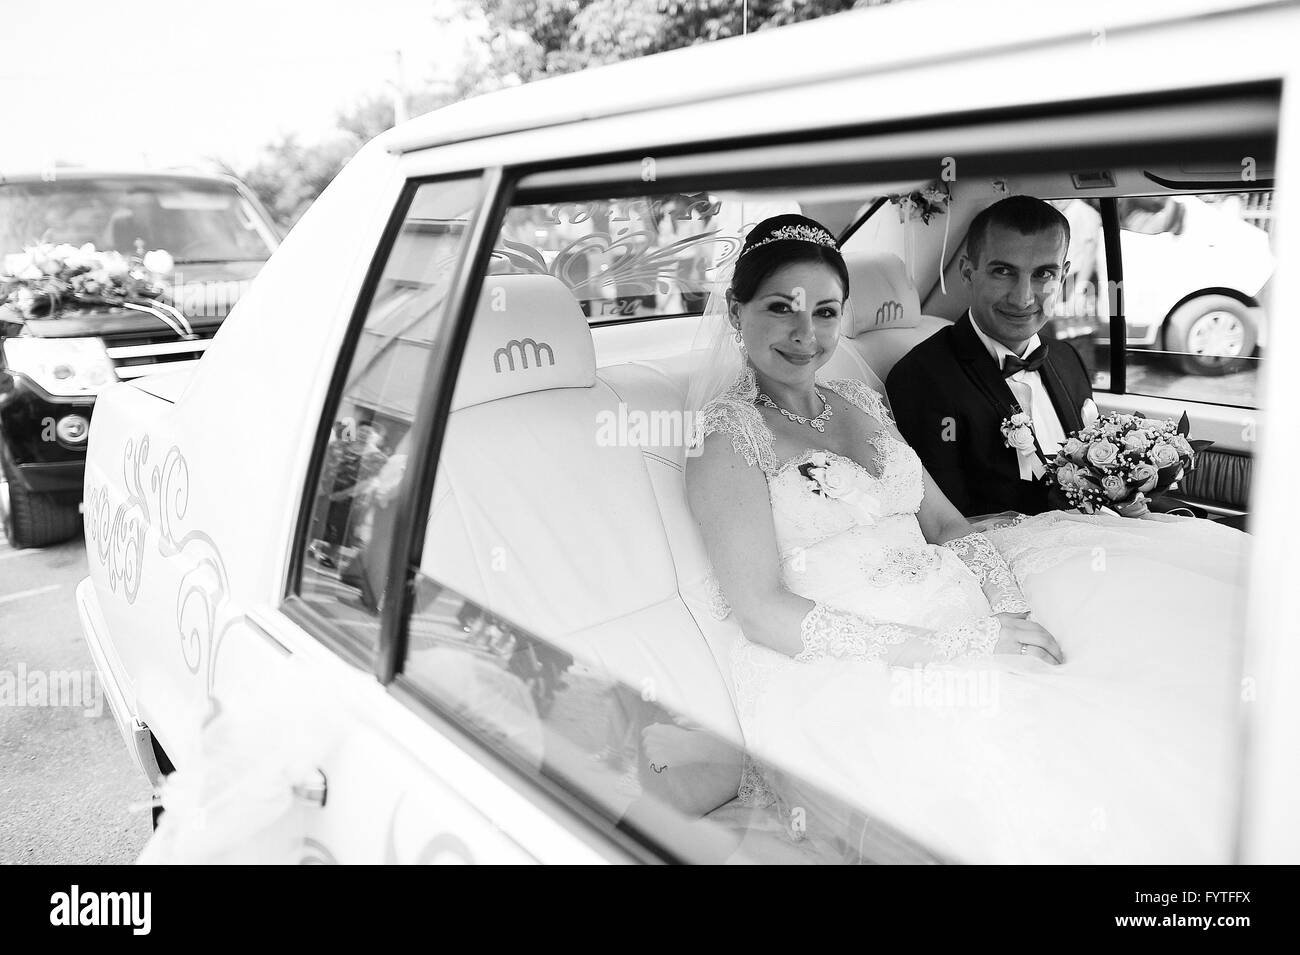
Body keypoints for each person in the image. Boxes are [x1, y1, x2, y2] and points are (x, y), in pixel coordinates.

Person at [684, 213, 1246, 863]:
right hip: (847, 658)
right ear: (735, 310)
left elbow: (946, 523)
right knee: (1041, 759)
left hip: (958, 607)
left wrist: (1002, 607)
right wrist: (950, 645)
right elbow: (759, 610)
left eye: (826, 312)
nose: (806, 335)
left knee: (1143, 671)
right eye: (781, 308)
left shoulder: (857, 403)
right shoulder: (729, 437)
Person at [886, 195, 1094, 517]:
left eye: (1044, 275)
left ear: (1063, 277)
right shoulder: (922, 377)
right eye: (1003, 272)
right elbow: (948, 521)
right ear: (968, 273)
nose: (1023, 298)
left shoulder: (1068, 359)